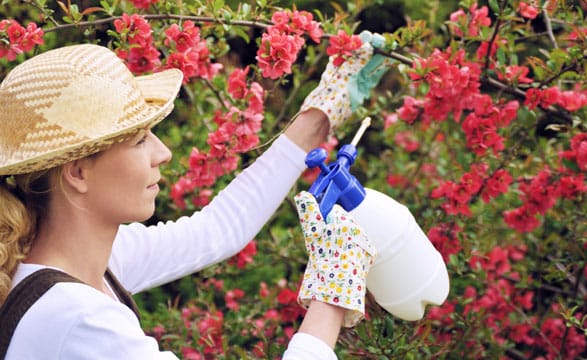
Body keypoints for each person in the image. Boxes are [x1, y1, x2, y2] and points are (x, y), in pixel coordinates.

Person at [0, 36, 383, 359]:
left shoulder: (67, 264)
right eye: (139, 140)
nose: (163, 153)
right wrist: (333, 293)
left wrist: (321, 114)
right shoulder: (78, 321)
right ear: (78, 172)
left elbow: (216, 230)